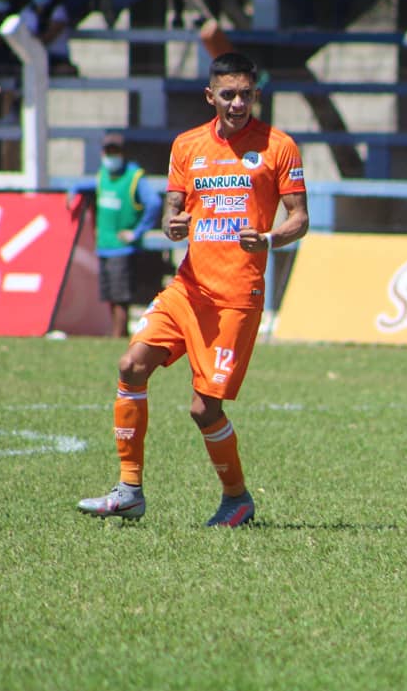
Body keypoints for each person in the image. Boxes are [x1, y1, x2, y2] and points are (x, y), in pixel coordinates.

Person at [77, 51, 309, 527]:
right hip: (189, 287)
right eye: (228, 94)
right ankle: (129, 490)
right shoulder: (186, 145)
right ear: (210, 96)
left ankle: (237, 499)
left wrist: (268, 238)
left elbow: (300, 219)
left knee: (204, 409)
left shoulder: (279, 146)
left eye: (246, 94)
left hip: (236, 297)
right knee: (131, 365)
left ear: (256, 94)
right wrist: (173, 225)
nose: (238, 103)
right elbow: (172, 213)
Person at [67, 135, 164, 338]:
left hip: (123, 248)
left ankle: (118, 335)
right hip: (104, 246)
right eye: (108, 151)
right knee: (110, 296)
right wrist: (73, 191)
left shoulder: (133, 176)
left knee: (121, 298)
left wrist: (137, 232)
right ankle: (117, 334)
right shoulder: (102, 175)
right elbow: (85, 186)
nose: (111, 156)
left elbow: (154, 203)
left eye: (115, 151)